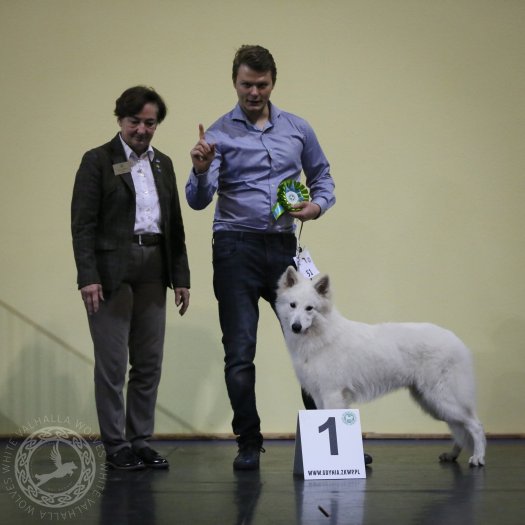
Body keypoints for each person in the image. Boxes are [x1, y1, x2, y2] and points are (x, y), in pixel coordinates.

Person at [186, 45, 337, 470]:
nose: (254, 92)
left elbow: (322, 176)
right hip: (234, 248)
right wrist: (199, 169)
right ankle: (249, 443)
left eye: (262, 84)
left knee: (313, 347)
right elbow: (199, 201)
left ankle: (330, 446)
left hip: (283, 250)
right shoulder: (216, 134)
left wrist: (316, 206)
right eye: (246, 84)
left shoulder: (297, 128)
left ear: (273, 82)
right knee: (239, 350)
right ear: (234, 82)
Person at [71, 86, 190, 470]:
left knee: (149, 362)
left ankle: (140, 440)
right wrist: (87, 276)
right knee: (112, 364)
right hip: (110, 272)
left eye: (150, 122)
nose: (142, 129)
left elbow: (174, 224)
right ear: (120, 120)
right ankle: (116, 445)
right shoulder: (97, 161)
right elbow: (83, 225)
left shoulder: (163, 164)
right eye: (134, 121)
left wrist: (181, 276)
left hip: (155, 266)